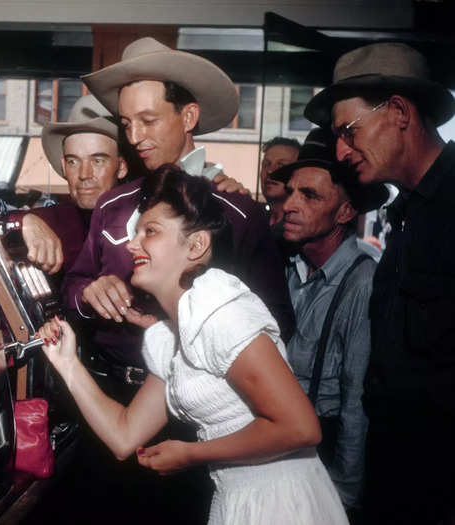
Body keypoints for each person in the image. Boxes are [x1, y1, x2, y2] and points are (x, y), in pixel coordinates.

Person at [38, 165, 348, 525]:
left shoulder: (221, 310)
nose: (132, 243)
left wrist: (192, 454)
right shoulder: (175, 333)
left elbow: (301, 428)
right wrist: (67, 364)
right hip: (237, 500)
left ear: (197, 245)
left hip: (282, 504)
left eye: (149, 231)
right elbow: (124, 435)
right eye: (136, 231)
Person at [63, 37, 295, 392]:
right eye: (126, 124)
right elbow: (72, 288)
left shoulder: (238, 214)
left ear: (188, 116)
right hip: (107, 388)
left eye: (148, 120)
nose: (135, 137)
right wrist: (88, 294)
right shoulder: (112, 204)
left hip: (196, 399)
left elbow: (274, 320)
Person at [304, 42, 455, 524]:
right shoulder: (405, 214)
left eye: (349, 132)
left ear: (398, 112)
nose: (342, 151)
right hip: (394, 473)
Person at [269, 127, 388, 519]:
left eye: (310, 195)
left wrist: (342, 498)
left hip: (322, 461)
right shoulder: (283, 267)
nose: (290, 204)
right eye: (290, 192)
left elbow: (357, 403)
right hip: (270, 453)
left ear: (345, 212)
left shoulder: (362, 280)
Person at [4, 94, 129, 277]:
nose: (84, 174)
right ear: (63, 167)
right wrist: (22, 221)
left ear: (121, 167)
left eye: (98, 161)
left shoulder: (144, 221)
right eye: (73, 162)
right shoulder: (55, 220)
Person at [259, 136, 300, 229]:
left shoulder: (300, 226)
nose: (270, 171)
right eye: (266, 164)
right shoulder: (254, 217)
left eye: (281, 166)